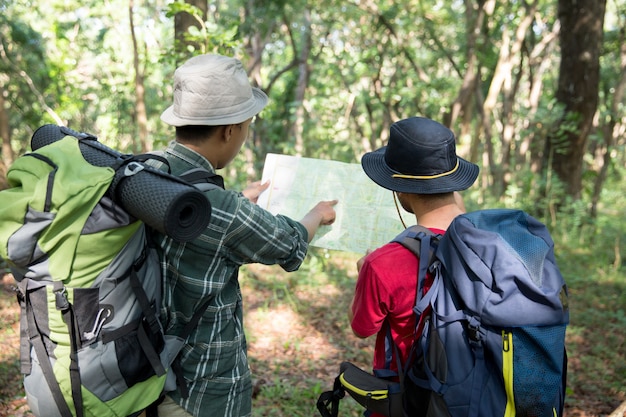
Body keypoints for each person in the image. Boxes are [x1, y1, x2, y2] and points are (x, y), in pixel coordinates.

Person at [155, 53, 337, 417]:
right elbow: (291, 245)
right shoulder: (223, 209)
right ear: (229, 130)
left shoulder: (147, 171)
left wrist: (238, 199)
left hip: (147, 372)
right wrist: (316, 214)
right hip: (202, 391)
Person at [348, 116, 479, 417]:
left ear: (401, 191)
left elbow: (361, 328)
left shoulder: (381, 264)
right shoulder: (487, 246)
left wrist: (364, 272)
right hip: (475, 397)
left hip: (409, 401)